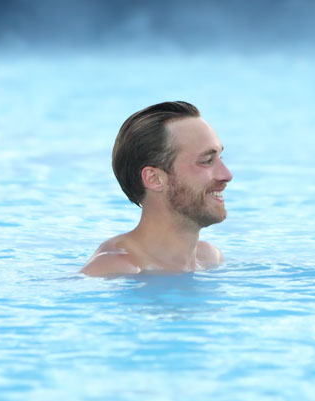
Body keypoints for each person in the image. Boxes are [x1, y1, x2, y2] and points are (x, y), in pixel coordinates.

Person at [81, 101, 231, 277]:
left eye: (221, 157)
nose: (227, 174)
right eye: (207, 161)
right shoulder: (114, 269)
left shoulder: (209, 259)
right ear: (154, 179)